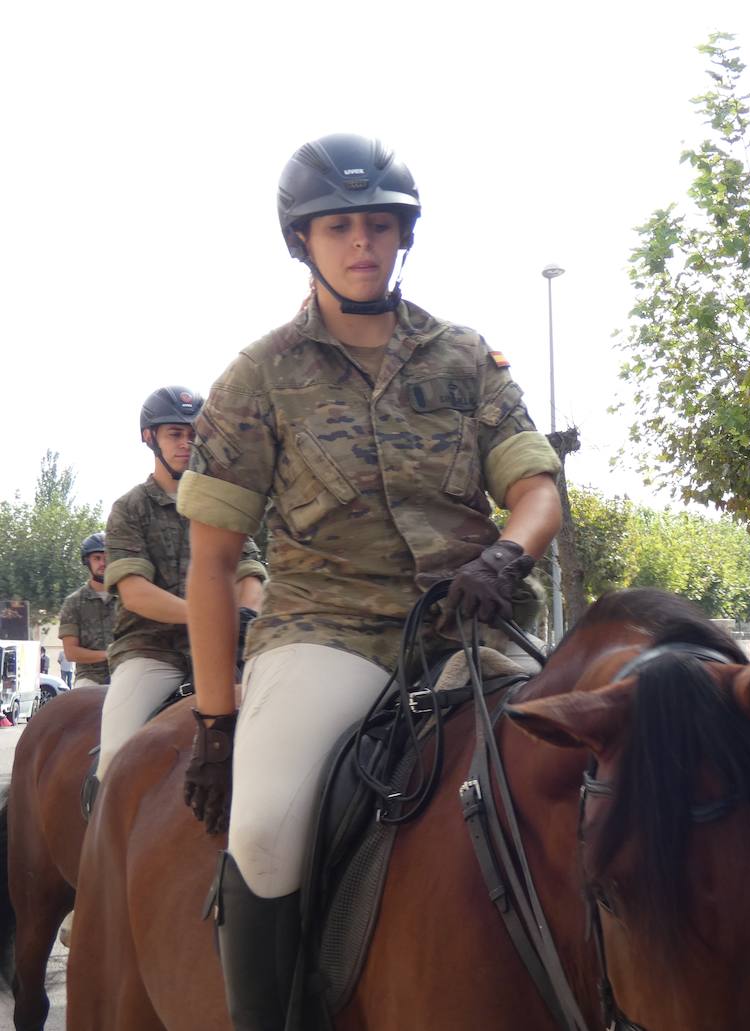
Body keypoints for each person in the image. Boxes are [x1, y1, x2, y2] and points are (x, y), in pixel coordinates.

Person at [177, 133, 563, 1027]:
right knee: (268, 830)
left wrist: (507, 553)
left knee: (587, 773)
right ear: (301, 241)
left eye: (381, 226)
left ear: (404, 237)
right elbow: (212, 563)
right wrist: (213, 718)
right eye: (340, 226)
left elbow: (535, 488)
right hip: (330, 630)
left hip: (476, 624)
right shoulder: (257, 377)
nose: (363, 244)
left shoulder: (466, 359)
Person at [95, 388, 267, 786]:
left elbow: (250, 574)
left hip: (228, 649)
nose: (187, 443)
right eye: (175, 434)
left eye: (195, 434)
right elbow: (135, 592)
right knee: (115, 758)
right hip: (153, 653)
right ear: (149, 437)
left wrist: (245, 613)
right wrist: (210, 614)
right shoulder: (130, 508)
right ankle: (97, 833)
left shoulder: (220, 502)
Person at [58, 533, 116, 686]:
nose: (103, 563)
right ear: (87, 561)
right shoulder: (73, 603)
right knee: (80, 703)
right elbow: (71, 652)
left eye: (107, 558)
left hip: (127, 671)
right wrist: (108, 655)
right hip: (91, 677)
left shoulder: (128, 597)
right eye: (97, 558)